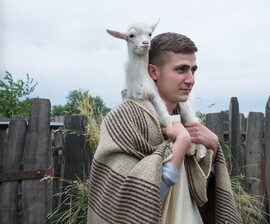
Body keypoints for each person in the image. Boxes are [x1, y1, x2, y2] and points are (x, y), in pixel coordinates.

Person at [88, 32, 242, 223]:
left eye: (193, 70)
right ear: (153, 72)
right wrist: (181, 144)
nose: (191, 79)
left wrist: (213, 147)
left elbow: (199, 191)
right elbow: (131, 207)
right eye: (181, 70)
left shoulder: (188, 120)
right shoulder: (123, 119)